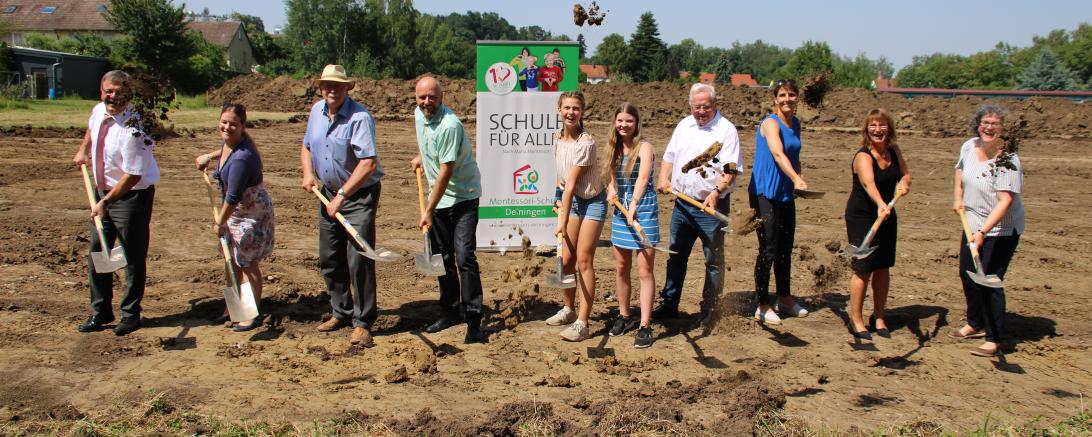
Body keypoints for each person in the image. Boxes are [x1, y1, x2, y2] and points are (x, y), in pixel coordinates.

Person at [300, 64, 385, 347]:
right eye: (327, 85)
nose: (331, 90)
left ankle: (362, 322)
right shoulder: (316, 112)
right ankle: (341, 311)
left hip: (358, 196)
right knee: (329, 256)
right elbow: (307, 146)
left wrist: (343, 196)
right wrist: (307, 173)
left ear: (347, 87)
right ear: (320, 88)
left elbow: (368, 163)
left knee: (358, 258)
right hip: (328, 193)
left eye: (337, 85)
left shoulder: (360, 117)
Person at [72, 70, 160, 336]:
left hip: (131, 196)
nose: (113, 96)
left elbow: (133, 175)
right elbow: (92, 127)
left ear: (128, 94)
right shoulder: (99, 111)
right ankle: (101, 311)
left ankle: (130, 314)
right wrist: (84, 149)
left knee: (131, 255)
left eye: (120, 91)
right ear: (101, 91)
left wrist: (106, 202)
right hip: (103, 192)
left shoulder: (134, 128)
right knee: (100, 251)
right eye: (109, 91)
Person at [654, 83, 743, 327]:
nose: (701, 111)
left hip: (711, 208)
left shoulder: (726, 130)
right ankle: (670, 303)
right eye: (696, 107)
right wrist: (664, 178)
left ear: (714, 105)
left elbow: (731, 169)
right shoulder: (684, 125)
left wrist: (716, 191)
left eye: (706, 106)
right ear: (690, 106)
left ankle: (710, 309)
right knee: (676, 255)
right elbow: (669, 157)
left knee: (713, 261)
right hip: (682, 204)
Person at [409, 77, 485, 344]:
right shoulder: (419, 115)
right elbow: (425, 139)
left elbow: (446, 171)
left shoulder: (450, 125)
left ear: (442, 97)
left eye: (432, 97)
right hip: (438, 200)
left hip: (463, 197)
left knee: (464, 257)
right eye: (422, 97)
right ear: (416, 98)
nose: (426, 102)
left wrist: (427, 210)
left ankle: (474, 320)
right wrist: (422, 155)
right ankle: (451, 311)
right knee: (442, 258)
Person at [950, 104, 1025, 358]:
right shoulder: (970, 146)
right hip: (970, 221)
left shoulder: (1007, 160)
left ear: (1004, 129)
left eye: (995, 123)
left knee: (989, 279)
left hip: (1000, 230)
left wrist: (982, 232)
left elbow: (1005, 201)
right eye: (985, 122)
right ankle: (975, 322)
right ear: (978, 125)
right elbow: (960, 169)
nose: (989, 127)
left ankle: (995, 339)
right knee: (967, 272)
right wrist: (958, 196)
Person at [195, 103, 276, 332]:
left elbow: (232, 196)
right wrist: (208, 156)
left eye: (233, 124)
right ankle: (232, 308)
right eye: (224, 122)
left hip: (249, 215)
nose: (227, 127)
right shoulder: (232, 143)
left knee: (247, 263)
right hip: (236, 212)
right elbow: (225, 149)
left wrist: (219, 222)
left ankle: (251, 314)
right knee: (232, 261)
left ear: (242, 126)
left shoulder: (242, 158)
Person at [844, 109, 911, 339]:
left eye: (882, 125)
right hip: (863, 216)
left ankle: (879, 316)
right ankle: (857, 319)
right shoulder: (863, 156)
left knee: (883, 266)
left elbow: (905, 175)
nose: (878, 130)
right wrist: (881, 203)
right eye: (873, 126)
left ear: (889, 129)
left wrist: (903, 183)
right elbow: (868, 184)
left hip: (887, 215)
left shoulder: (894, 150)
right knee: (863, 268)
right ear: (866, 130)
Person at [545, 91, 606, 342]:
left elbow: (572, 184)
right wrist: (555, 198)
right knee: (566, 260)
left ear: (582, 112)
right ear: (559, 110)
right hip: (572, 201)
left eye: (576, 108)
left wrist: (562, 218)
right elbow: (561, 180)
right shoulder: (557, 138)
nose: (571, 112)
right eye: (567, 107)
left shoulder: (586, 143)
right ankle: (568, 310)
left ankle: (583, 322)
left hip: (592, 202)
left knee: (583, 261)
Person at [747, 79, 809, 325]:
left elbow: (794, 155)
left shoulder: (796, 124)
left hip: (785, 192)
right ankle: (762, 304)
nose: (787, 99)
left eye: (791, 95)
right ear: (775, 98)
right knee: (769, 248)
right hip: (765, 191)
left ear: (797, 98)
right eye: (782, 95)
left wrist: (798, 179)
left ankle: (784, 298)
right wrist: (795, 177)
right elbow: (777, 153)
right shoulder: (770, 123)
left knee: (785, 247)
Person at [604, 102, 659, 348]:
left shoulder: (644, 147)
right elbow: (611, 177)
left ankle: (645, 324)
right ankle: (624, 315)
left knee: (645, 270)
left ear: (636, 123)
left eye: (629, 121)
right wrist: (611, 191)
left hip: (643, 211)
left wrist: (634, 204)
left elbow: (644, 177)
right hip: (621, 212)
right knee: (621, 266)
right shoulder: (613, 148)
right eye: (620, 121)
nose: (624, 125)